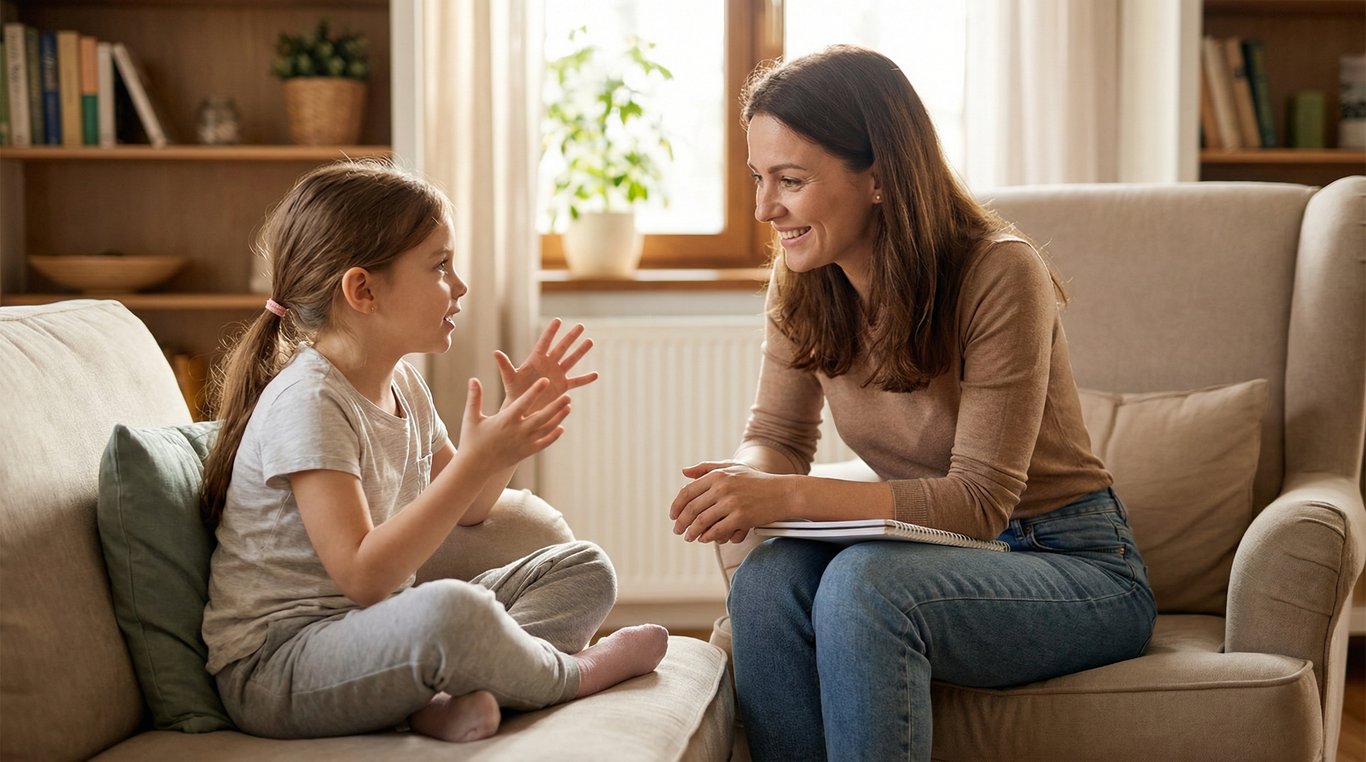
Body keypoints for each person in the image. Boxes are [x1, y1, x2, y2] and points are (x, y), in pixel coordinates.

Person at [669, 46, 1156, 761]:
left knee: (864, 588)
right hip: (924, 551)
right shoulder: (803, 278)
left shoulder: (998, 270)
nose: (765, 208)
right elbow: (777, 434)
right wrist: (745, 481)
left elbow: (980, 502)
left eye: (791, 181)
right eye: (758, 178)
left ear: (879, 177)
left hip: (1071, 563)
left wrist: (787, 496)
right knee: (768, 584)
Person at [199, 160, 667, 743]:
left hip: (380, 635)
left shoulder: (404, 384)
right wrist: (475, 460)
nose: (461, 286)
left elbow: (470, 508)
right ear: (363, 290)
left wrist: (508, 430)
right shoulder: (310, 402)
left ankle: (447, 696)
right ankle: (572, 675)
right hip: (280, 667)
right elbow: (364, 577)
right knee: (452, 613)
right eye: (441, 266)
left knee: (582, 566)